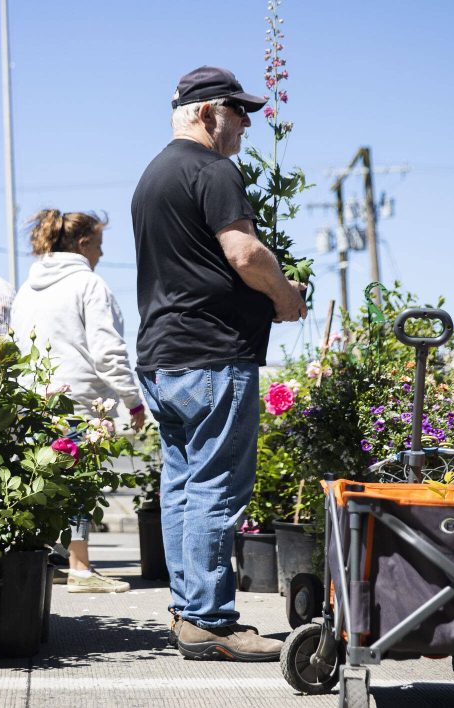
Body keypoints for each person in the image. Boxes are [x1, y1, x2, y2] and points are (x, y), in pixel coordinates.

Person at [131, 66, 308, 661]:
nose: (247, 126)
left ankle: (189, 612)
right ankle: (210, 617)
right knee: (214, 486)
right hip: (211, 353)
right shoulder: (211, 169)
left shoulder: (153, 176)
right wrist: (284, 296)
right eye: (239, 113)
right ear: (207, 112)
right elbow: (244, 251)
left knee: (182, 484)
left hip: (163, 355)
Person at [11, 208, 146, 594]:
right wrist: (132, 400)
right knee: (78, 483)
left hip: (31, 397)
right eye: (99, 245)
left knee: (41, 482)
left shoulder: (27, 288)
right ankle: (81, 569)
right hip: (77, 399)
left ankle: (48, 560)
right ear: (83, 243)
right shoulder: (90, 285)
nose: (101, 254)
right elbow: (107, 351)